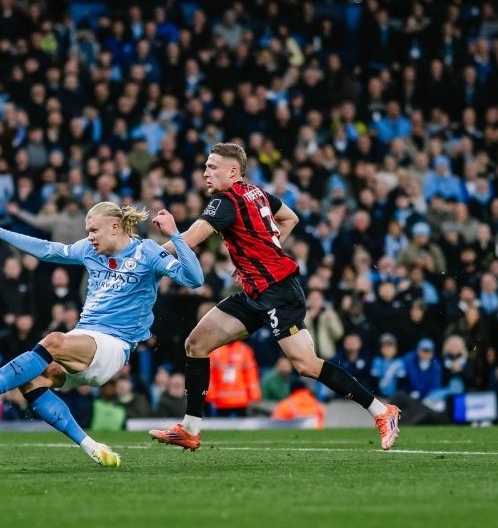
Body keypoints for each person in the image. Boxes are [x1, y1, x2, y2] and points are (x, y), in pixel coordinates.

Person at [150, 143, 400, 451]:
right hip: (257, 290)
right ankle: (190, 430)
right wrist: (260, 255)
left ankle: (381, 411)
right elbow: (290, 219)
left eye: (212, 167)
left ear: (233, 171)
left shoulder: (225, 201)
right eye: (205, 166)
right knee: (196, 344)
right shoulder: (257, 193)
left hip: (279, 291)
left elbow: (189, 240)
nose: (205, 173)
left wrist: (146, 255)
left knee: (307, 365)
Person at [0, 202, 203, 467]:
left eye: (93, 230)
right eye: (87, 230)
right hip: (84, 340)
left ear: (115, 227)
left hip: (114, 346)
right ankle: (91, 446)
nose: (89, 236)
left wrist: (175, 235)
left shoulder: (147, 252)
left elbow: (195, 279)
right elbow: (47, 250)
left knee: (54, 340)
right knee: (31, 381)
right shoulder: (89, 250)